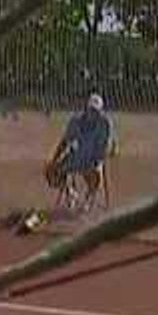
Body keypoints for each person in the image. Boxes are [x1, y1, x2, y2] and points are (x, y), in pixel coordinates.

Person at [21, 93, 115, 233]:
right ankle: (70, 192)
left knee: (94, 173)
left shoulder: (105, 124)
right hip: (76, 155)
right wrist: (54, 161)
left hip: (93, 159)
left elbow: (102, 150)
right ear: (86, 108)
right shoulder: (75, 121)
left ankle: (89, 198)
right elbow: (65, 141)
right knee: (52, 172)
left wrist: (92, 164)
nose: (93, 113)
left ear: (100, 111)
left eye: (96, 111)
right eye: (91, 109)